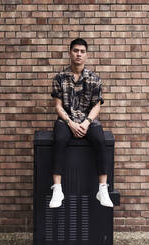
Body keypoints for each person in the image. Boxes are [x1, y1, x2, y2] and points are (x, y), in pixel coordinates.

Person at [49, 38, 114, 208]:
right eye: (76, 50)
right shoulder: (60, 78)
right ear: (70, 53)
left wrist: (86, 123)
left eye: (82, 51)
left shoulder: (94, 79)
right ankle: (57, 189)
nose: (79, 54)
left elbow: (96, 106)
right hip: (66, 120)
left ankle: (102, 189)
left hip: (88, 120)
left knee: (100, 140)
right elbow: (58, 106)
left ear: (86, 55)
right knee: (60, 139)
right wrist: (70, 123)